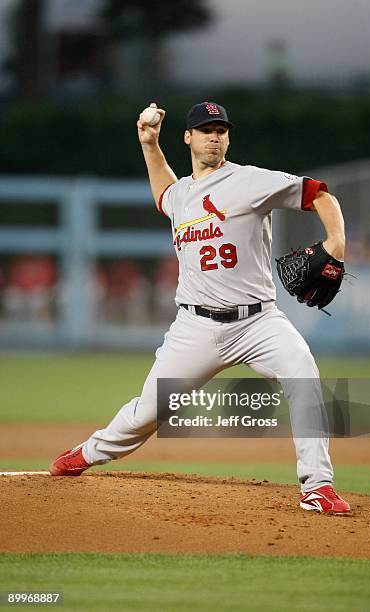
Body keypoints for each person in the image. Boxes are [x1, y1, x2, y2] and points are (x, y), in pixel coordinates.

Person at [50, 101, 350, 515]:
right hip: (195, 327)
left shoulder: (250, 181)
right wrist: (149, 143)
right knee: (146, 412)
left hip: (258, 321)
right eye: (205, 129)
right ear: (188, 137)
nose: (214, 136)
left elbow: (319, 194)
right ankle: (88, 452)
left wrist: (335, 244)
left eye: (221, 130)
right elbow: (163, 193)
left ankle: (317, 486)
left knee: (303, 372)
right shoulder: (181, 197)